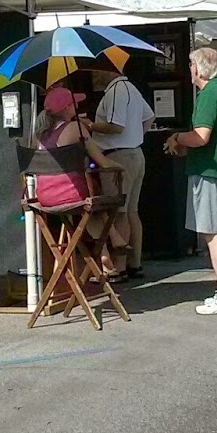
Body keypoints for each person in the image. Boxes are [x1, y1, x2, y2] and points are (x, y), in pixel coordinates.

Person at [165, 47, 217, 313]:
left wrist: (176, 138)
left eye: (189, 65)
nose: (189, 70)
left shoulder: (209, 94)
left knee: (211, 233)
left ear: (198, 68)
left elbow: (200, 136)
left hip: (208, 171)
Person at [31, 84, 126, 260]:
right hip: (73, 195)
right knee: (94, 196)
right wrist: (121, 167)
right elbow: (103, 162)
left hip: (44, 197)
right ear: (67, 107)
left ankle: (106, 258)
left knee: (92, 201)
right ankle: (112, 241)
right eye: (74, 103)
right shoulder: (75, 128)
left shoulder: (40, 134)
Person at [89, 67, 155, 280]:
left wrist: (89, 124)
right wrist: (136, 138)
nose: (93, 76)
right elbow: (149, 117)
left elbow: (115, 126)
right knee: (132, 211)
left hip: (118, 156)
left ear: (109, 71)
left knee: (119, 212)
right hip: (135, 153)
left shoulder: (116, 90)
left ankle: (119, 268)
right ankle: (134, 263)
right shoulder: (131, 88)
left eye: (96, 71)